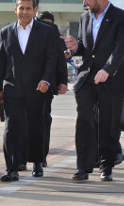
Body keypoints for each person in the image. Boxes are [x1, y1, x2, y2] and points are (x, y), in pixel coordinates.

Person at [61, 0, 124, 181]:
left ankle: (106, 166)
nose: (84, 2)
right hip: (87, 79)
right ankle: (82, 168)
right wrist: (76, 47)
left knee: (108, 125)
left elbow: (120, 49)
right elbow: (86, 47)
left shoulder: (121, 17)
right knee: (84, 120)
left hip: (111, 79)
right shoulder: (85, 17)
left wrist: (107, 70)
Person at [0, 0, 57, 182]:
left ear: (35, 10)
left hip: (38, 88)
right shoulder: (5, 32)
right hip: (12, 88)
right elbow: (0, 62)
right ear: (16, 10)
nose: (24, 12)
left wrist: (46, 80)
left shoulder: (46, 31)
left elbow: (51, 58)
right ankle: (12, 168)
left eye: (28, 8)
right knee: (11, 128)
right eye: (21, 8)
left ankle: (38, 162)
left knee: (36, 126)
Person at [36, 10, 69, 167]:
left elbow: (59, 56)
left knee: (43, 119)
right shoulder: (26, 29)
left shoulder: (54, 32)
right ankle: (21, 158)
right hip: (25, 83)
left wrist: (62, 81)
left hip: (47, 83)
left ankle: (41, 155)